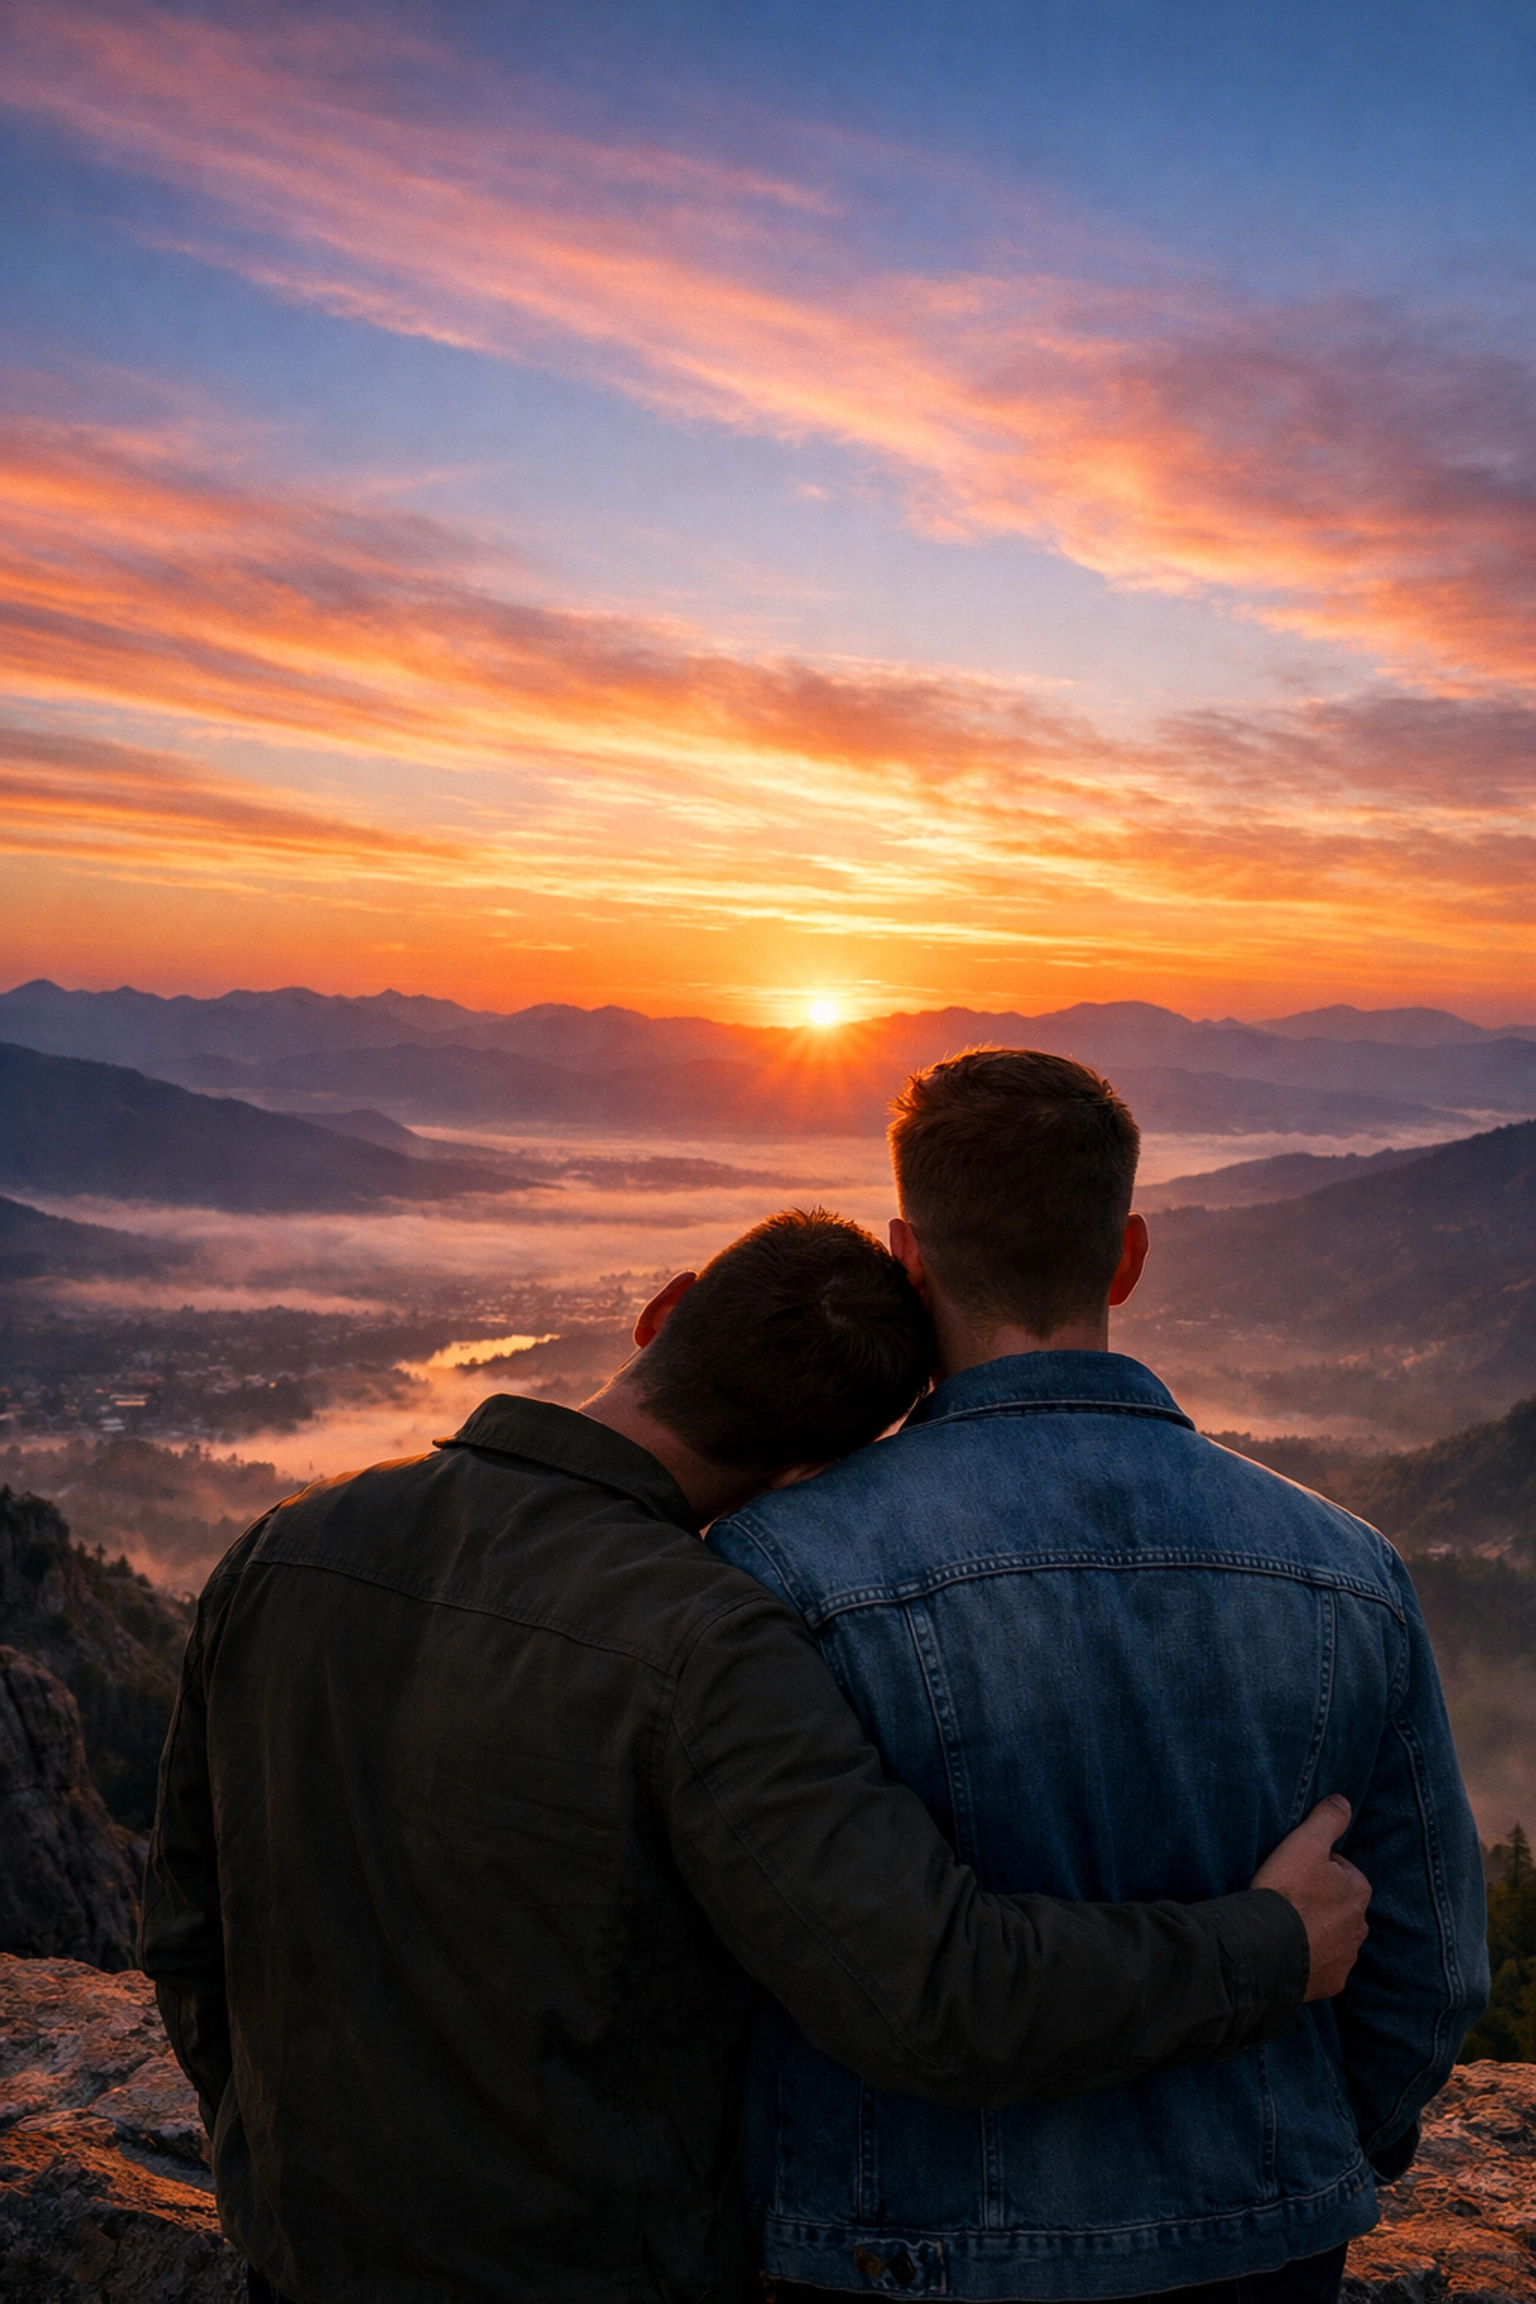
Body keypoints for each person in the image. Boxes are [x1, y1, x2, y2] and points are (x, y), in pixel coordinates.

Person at [143, 1207, 1368, 2304]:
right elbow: (934, 1994)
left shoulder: (285, 1546)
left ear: (663, 1310)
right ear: (807, 1479)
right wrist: (1267, 1945)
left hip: (298, 2259)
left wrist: (275, 2177)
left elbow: (190, 1932)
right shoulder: (702, 1645)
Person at [710, 1055, 1487, 2304]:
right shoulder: (1348, 1568)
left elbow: (747, 1964)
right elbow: (1430, 1968)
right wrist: (1301, 2155)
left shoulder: (787, 1566)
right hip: (1261, 2244)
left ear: (910, 1258)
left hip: (897, 2256)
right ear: (1126, 1255)